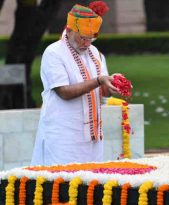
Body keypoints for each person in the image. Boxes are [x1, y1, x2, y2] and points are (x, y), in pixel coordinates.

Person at [31, 1, 120, 166]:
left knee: (92, 184)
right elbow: (64, 92)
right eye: (83, 38)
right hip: (63, 136)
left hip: (92, 138)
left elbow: (104, 92)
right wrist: (99, 80)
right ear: (69, 30)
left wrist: (112, 83)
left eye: (91, 38)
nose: (87, 43)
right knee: (61, 185)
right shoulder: (54, 53)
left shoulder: (95, 53)